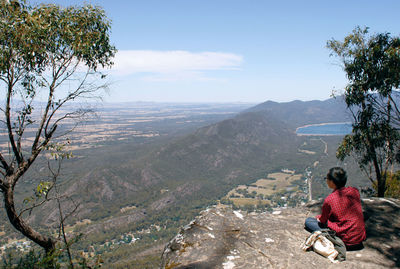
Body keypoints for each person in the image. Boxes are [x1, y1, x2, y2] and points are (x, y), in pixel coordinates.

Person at [305, 167, 366, 249]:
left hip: (344, 241)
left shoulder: (330, 199)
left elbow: (323, 221)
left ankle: (332, 238)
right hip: (359, 240)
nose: (326, 180)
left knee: (309, 221)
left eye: (327, 178)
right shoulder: (354, 191)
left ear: (332, 182)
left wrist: (319, 218)